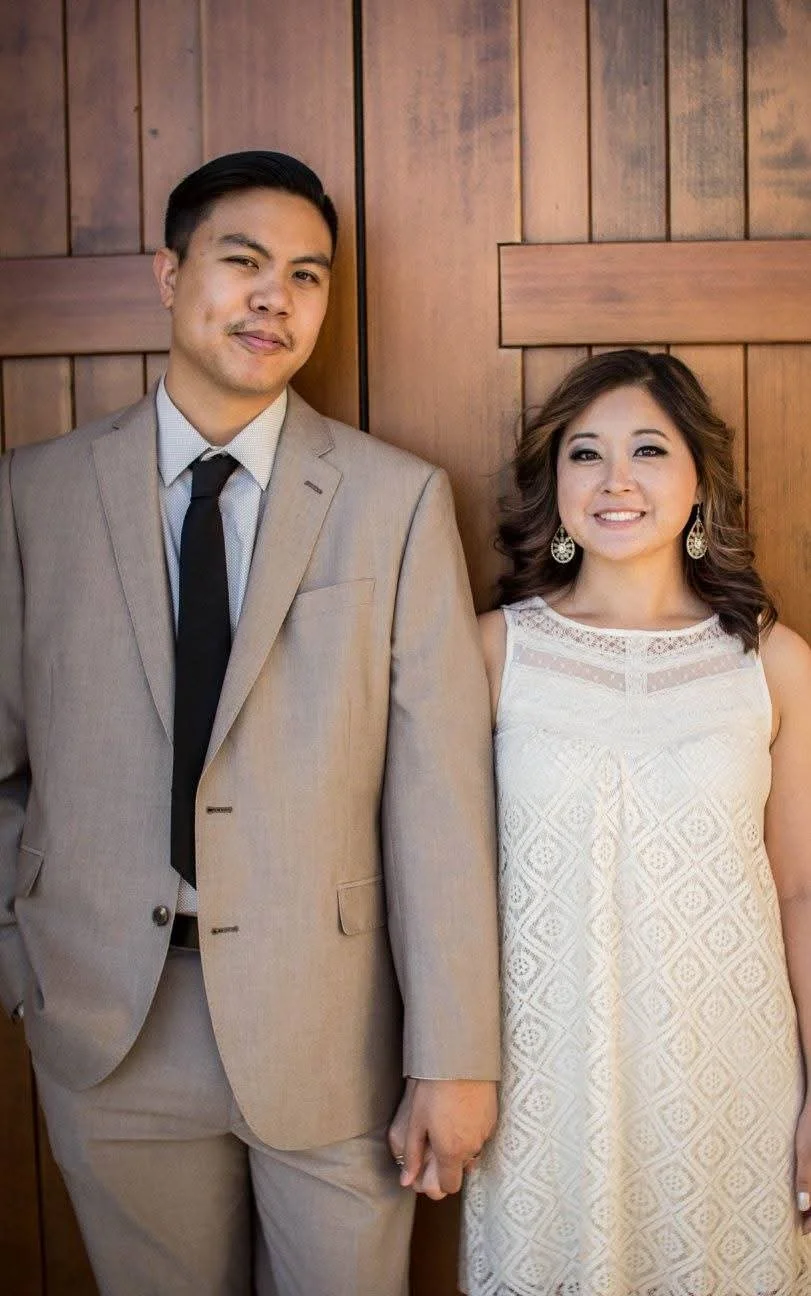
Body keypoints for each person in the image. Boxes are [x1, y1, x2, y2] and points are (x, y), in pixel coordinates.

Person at [0, 151, 500, 1296]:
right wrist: (26, 954)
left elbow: (440, 806)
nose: (276, 296)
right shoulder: (35, 496)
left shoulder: (397, 501)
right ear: (169, 276)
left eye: (308, 276)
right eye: (244, 263)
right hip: (107, 1030)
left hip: (334, 1036)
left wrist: (454, 1056)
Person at [460, 348, 811, 1294]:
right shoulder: (494, 654)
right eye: (586, 455)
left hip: (727, 1076)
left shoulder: (770, 663)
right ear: (557, 485)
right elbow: (437, 878)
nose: (616, 480)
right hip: (540, 1077)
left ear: (700, 481)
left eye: (649, 450)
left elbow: (800, 892)